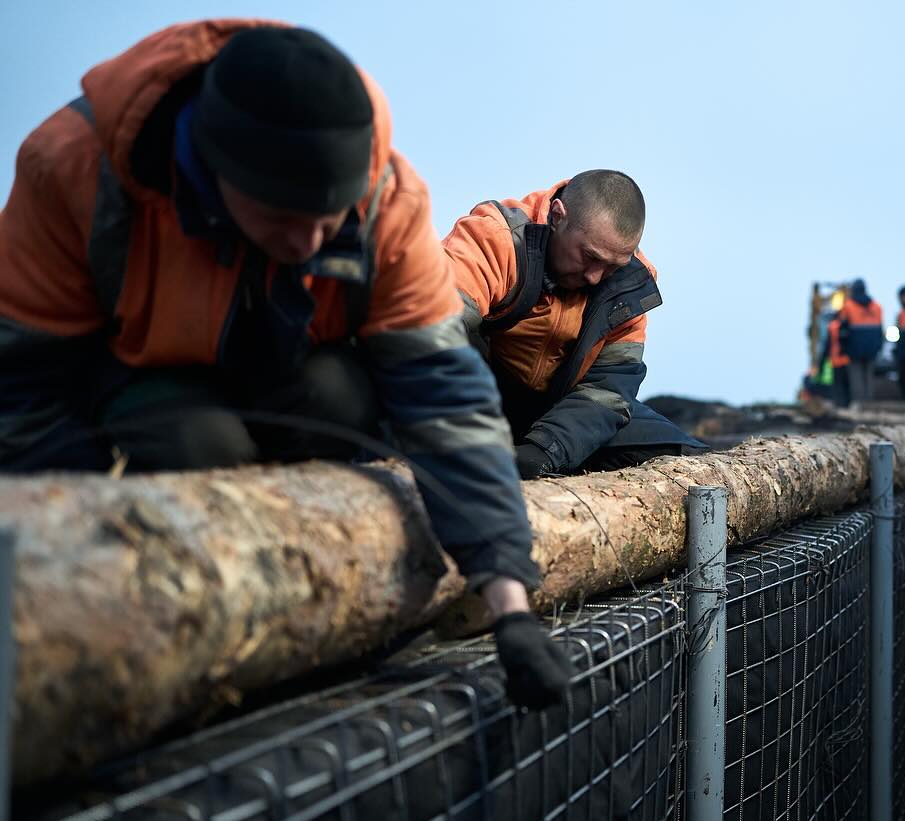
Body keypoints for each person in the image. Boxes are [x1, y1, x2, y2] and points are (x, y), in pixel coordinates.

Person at [0, 21, 573, 708]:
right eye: (281, 216)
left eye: (327, 219)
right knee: (193, 437)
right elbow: (22, 388)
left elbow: (448, 399)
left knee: (342, 391)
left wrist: (510, 601)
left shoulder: (388, 198)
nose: (306, 241)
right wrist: (83, 562)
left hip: (306, 386)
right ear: (211, 165)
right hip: (148, 395)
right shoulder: (73, 168)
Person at [442, 172, 705, 478]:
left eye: (611, 266)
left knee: (690, 464)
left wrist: (543, 452)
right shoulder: (495, 237)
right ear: (557, 216)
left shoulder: (631, 285)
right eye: (589, 256)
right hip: (475, 397)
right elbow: (434, 329)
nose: (595, 276)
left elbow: (608, 391)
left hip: (559, 409)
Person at [836, 279, 883, 403]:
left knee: (856, 377)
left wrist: (843, 348)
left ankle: (859, 402)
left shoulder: (848, 306)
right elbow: (880, 330)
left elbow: (843, 330)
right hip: (872, 349)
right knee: (869, 376)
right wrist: (878, 347)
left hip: (854, 349)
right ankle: (869, 403)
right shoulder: (877, 307)